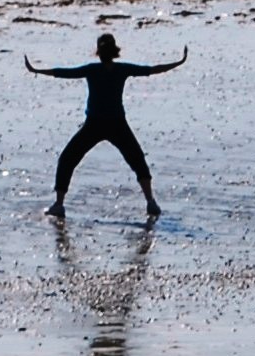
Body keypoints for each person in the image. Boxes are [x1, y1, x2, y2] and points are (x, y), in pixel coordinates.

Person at [24, 32, 187, 218]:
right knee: (137, 159)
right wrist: (179, 62)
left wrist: (36, 70)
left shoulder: (93, 70)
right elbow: (152, 70)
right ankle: (150, 201)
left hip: (95, 124)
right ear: (115, 50)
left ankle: (59, 204)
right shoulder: (122, 69)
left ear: (99, 52)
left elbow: (64, 73)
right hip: (116, 123)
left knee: (68, 159)